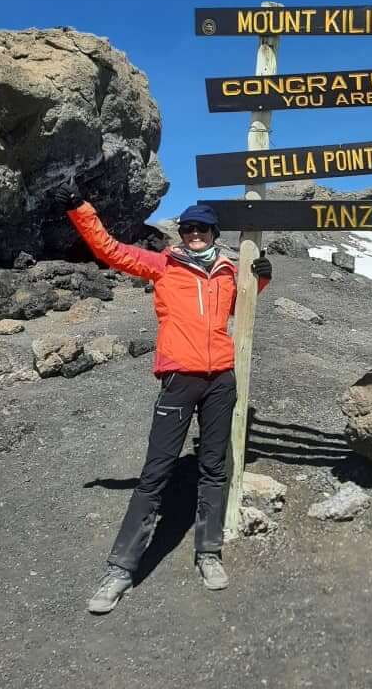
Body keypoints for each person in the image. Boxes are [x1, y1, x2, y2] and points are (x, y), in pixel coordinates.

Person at [53, 181, 272, 614]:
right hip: (179, 378)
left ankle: (208, 553)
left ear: (214, 233)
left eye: (202, 229)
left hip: (220, 380)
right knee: (155, 472)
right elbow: (110, 251)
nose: (195, 234)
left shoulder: (227, 271)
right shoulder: (163, 265)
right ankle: (120, 569)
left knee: (213, 469)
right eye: (189, 228)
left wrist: (260, 279)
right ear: (181, 233)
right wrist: (80, 208)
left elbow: (237, 308)